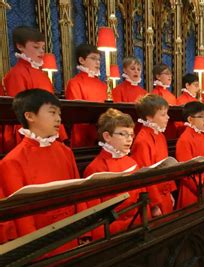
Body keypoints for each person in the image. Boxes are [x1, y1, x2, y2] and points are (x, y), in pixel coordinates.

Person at [0, 89, 83, 254]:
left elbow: (79, 193)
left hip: (73, 234)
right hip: (43, 244)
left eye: (59, 113)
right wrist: (35, 249)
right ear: (29, 116)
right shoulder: (12, 161)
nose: (58, 118)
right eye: (52, 112)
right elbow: (21, 215)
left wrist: (85, 231)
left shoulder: (66, 152)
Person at [2, 26, 67, 153]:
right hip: (29, 136)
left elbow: (53, 107)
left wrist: (60, 133)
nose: (42, 51)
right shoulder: (17, 74)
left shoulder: (43, 75)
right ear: (20, 46)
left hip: (48, 132)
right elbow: (20, 110)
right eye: (36, 47)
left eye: (43, 47)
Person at [83, 108, 146, 239]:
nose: (129, 139)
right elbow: (95, 214)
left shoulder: (132, 162)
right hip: (113, 233)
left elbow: (142, 196)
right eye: (123, 134)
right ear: (107, 136)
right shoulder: (95, 168)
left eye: (131, 134)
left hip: (137, 225)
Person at [131, 94, 176, 217]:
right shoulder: (142, 140)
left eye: (167, 113)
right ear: (149, 117)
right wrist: (154, 205)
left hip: (164, 194)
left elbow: (166, 166)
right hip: (154, 199)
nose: (167, 117)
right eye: (163, 114)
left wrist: (170, 191)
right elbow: (145, 176)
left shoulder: (160, 136)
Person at [175, 101, 204, 208]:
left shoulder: (203, 136)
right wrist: (202, 189)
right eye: (201, 117)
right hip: (192, 190)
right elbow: (186, 171)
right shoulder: (184, 140)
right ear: (190, 119)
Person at [65, 43, 107, 147]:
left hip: (104, 132)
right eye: (93, 58)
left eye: (99, 59)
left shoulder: (103, 85)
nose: (97, 62)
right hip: (83, 132)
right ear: (81, 60)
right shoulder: (75, 83)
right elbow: (76, 110)